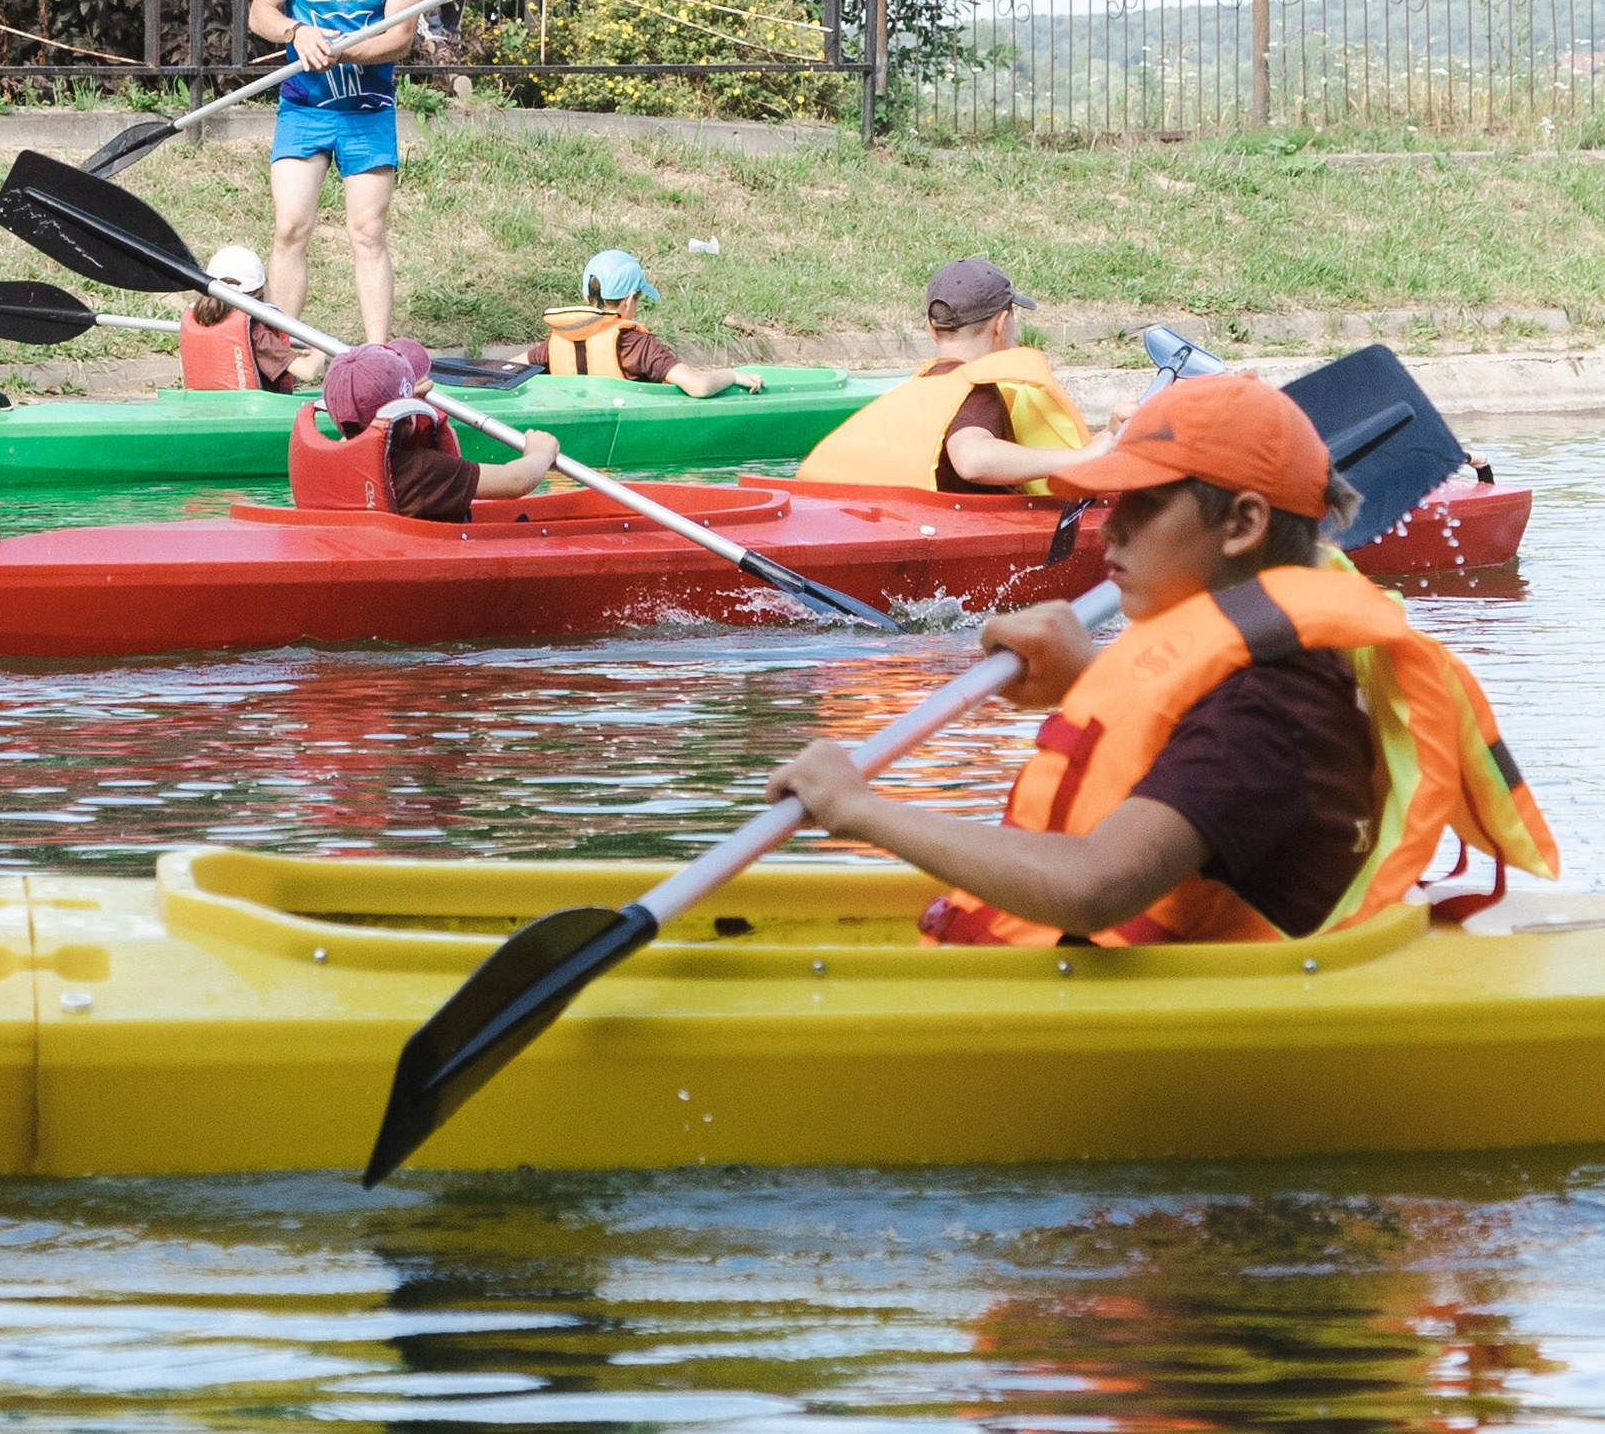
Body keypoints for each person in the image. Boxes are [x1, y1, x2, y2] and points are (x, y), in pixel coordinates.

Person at [766, 375, 1556, 947]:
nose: (1110, 529)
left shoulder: (1265, 710)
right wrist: (1089, 682)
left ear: (1243, 524)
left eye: (1143, 503)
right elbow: (1190, 747)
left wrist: (857, 808)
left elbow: (1092, 887)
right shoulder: (1261, 682)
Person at [249, 0, 433, 349]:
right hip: (304, 106)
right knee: (289, 228)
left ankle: (377, 355)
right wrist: (296, 31)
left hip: (367, 111)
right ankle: (281, 355)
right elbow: (261, 13)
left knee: (368, 232)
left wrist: (345, 54)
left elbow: (399, 39)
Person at [797, 256, 1092, 494]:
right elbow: (972, 460)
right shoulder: (974, 391)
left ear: (931, 329)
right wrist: (1082, 458)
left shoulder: (927, 387)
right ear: (1001, 325)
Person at [287, 342, 559, 521]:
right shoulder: (422, 471)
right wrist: (539, 453)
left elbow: (368, 420)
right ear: (405, 414)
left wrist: (401, 398)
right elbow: (516, 481)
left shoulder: (334, 459)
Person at [516, 250, 755, 398]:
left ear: (585, 295)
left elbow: (505, 369)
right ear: (630, 299)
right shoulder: (637, 345)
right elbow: (699, 387)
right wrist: (731, 375)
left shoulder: (560, 339)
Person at [180, 244, 304, 393]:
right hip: (256, 412)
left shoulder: (199, 322)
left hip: (209, 410)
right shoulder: (256, 332)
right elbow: (307, 371)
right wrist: (318, 350)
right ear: (261, 288)